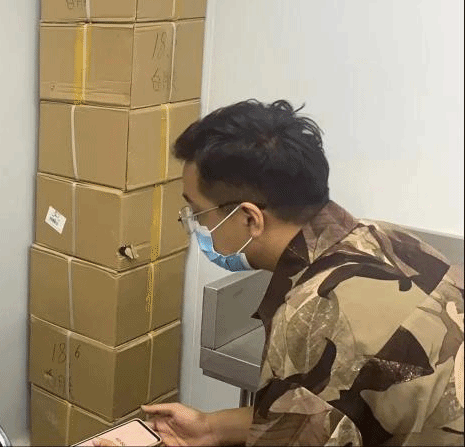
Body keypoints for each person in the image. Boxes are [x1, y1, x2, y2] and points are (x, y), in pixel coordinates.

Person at [139, 100, 463, 446]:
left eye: (198, 212)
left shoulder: (313, 314)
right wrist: (210, 427)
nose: (197, 226)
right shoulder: (387, 238)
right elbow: (319, 414)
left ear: (249, 218)